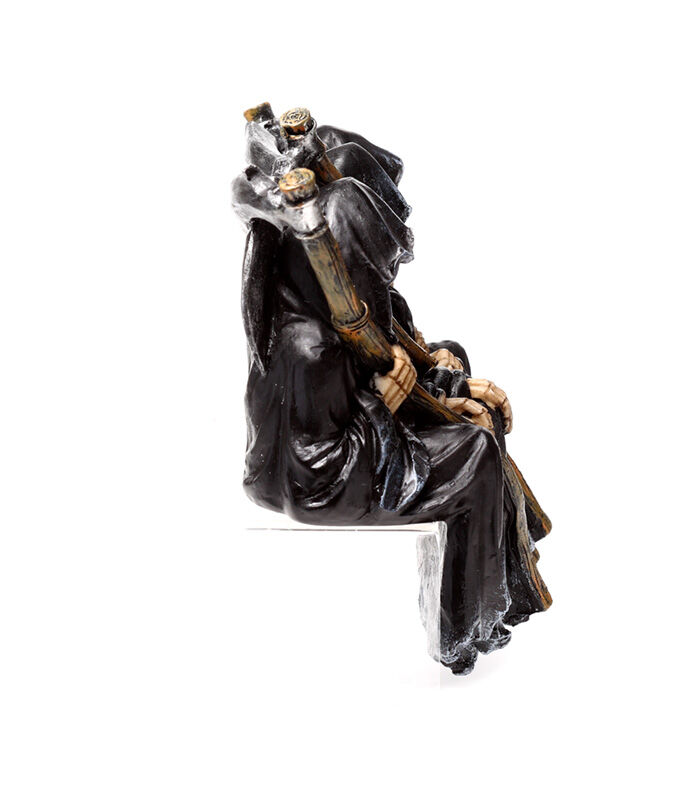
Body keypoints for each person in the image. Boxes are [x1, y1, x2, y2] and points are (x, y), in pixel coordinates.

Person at [232, 114, 551, 674]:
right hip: (315, 485)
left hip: (353, 446)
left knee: (456, 361)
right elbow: (314, 467)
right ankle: (464, 628)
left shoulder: (346, 312)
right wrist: (384, 403)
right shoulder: (308, 346)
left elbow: (394, 349)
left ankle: (501, 566)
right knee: (474, 455)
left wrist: (442, 385)